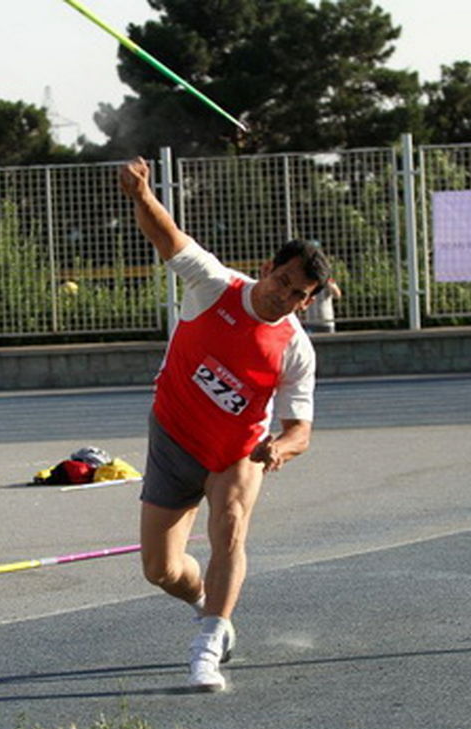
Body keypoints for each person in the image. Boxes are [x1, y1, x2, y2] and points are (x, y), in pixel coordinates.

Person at [118, 157, 331, 692]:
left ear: (308, 302)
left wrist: (280, 448)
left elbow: (300, 429)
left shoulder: (295, 349)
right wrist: (142, 194)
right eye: (282, 282)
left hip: (236, 453)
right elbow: (168, 237)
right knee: (161, 570)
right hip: (172, 436)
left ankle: (206, 648)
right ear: (266, 268)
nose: (284, 298)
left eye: (298, 295)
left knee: (230, 525)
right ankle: (208, 604)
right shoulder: (215, 286)